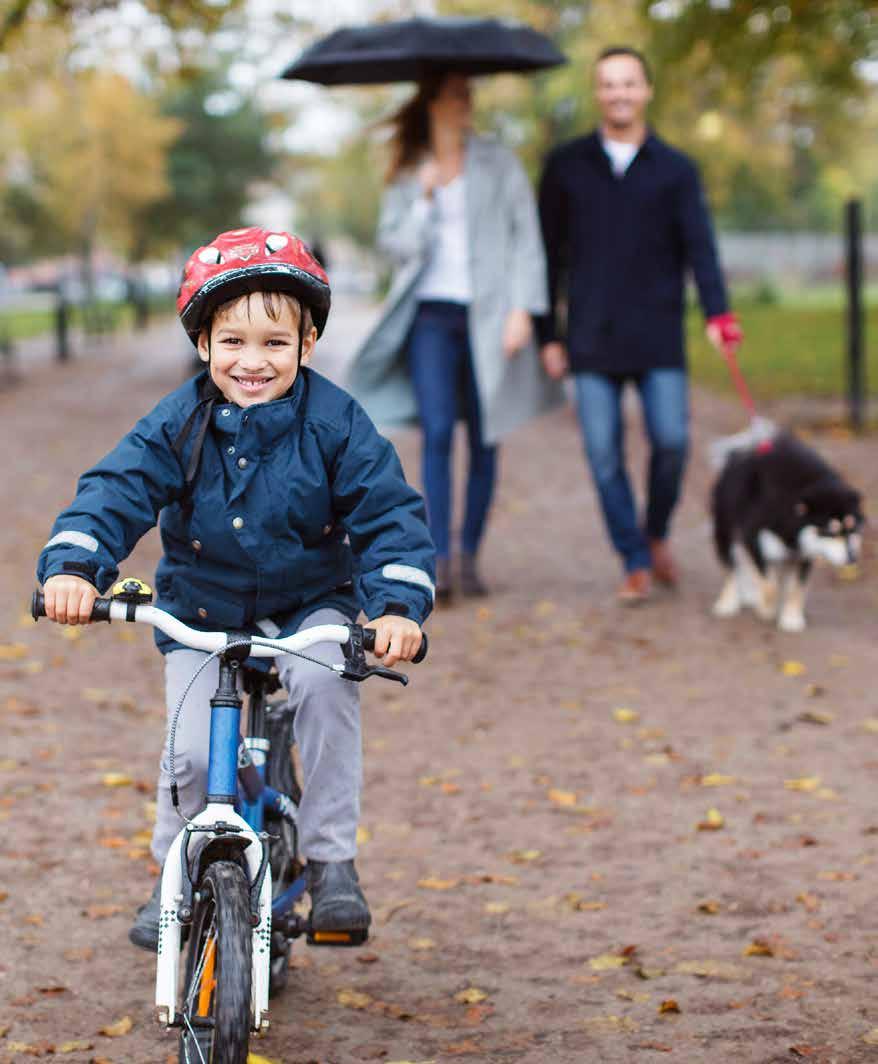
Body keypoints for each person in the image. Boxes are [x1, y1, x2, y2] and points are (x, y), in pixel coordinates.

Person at [35, 226, 435, 950]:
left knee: (324, 689)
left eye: (275, 344)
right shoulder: (177, 423)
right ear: (202, 345)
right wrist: (72, 567)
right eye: (233, 343)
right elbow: (116, 489)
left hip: (310, 604)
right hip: (201, 608)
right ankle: (173, 871)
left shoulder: (337, 424)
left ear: (307, 345)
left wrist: (398, 609)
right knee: (188, 755)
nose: (253, 362)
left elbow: (389, 516)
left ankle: (331, 858)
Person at [537, 46, 743, 604]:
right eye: (609, 84)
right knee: (603, 454)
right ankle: (633, 557)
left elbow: (701, 247)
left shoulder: (677, 170)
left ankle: (655, 532)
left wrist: (719, 312)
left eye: (629, 83)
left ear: (646, 90)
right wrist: (547, 334)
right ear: (597, 93)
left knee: (672, 442)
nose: (619, 93)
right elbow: (547, 257)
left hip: (658, 335)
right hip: (590, 336)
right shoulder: (566, 166)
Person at [348, 73, 560, 602]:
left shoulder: (499, 162)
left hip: (489, 317)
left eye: (470, 93)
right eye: (458, 94)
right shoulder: (408, 170)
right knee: (439, 433)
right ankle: (438, 559)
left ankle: (470, 556)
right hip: (430, 317)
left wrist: (524, 310)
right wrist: (421, 199)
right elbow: (392, 246)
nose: (469, 102)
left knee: (487, 436)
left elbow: (526, 240)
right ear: (434, 104)